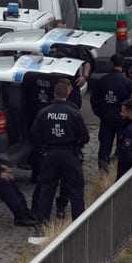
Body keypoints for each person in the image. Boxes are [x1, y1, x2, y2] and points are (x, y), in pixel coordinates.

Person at [31, 79, 89, 223]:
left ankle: (42, 223)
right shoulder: (74, 112)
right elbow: (84, 137)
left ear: (54, 93)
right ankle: (78, 222)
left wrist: (44, 147)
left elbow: (34, 134)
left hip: (50, 154)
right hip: (70, 153)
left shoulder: (44, 112)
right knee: (75, 189)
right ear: (68, 93)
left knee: (46, 188)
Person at [90, 54, 132, 172]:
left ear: (112, 64)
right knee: (122, 147)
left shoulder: (102, 81)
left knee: (104, 147)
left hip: (106, 119)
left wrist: (100, 113)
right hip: (122, 120)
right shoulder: (128, 82)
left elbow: (94, 100)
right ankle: (118, 171)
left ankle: (103, 172)